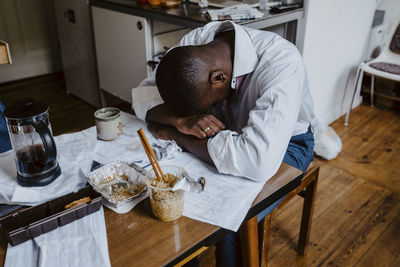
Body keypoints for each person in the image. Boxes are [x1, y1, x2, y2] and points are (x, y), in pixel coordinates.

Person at [132, 21, 315, 267]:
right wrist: (180, 120)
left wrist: (178, 135)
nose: (203, 113)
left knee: (232, 220)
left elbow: (257, 160)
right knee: (178, 200)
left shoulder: (281, 61)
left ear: (218, 78)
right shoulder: (196, 42)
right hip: (229, 133)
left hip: (288, 145)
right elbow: (143, 96)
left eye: (203, 108)